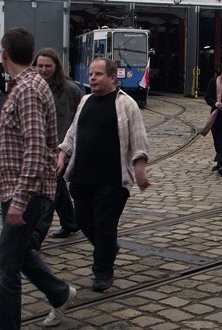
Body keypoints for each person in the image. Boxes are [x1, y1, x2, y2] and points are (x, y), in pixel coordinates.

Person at [0, 27, 76, 329]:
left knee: (3, 270)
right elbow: (11, 147)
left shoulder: (27, 90)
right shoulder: (26, 86)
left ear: (3, 55)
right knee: (21, 254)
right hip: (16, 191)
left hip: (25, 194)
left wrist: (20, 201)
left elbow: (37, 148)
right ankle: (60, 292)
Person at [58, 57, 150, 293]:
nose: (92, 78)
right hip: (82, 175)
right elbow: (72, 133)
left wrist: (139, 167)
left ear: (112, 77)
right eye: (91, 74)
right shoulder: (85, 100)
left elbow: (138, 138)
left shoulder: (126, 104)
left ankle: (103, 270)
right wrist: (62, 153)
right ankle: (107, 248)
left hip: (112, 179)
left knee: (105, 226)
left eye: (98, 74)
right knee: (81, 219)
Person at [33, 48, 82, 242]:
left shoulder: (70, 89)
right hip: (40, 148)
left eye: (48, 66)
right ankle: (70, 222)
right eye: (40, 66)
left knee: (51, 192)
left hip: (63, 148)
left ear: (56, 67)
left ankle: (35, 238)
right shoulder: (33, 87)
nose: (43, 70)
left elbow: (81, 116)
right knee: (58, 187)